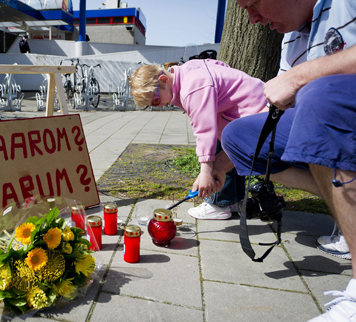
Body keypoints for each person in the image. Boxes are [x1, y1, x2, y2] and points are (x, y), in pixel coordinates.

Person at [217, 1, 356, 320]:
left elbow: (300, 88)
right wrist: (219, 168)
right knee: (239, 136)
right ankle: (345, 209)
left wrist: (303, 77)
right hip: (321, 112)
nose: (251, 19)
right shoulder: (292, 38)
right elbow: (276, 111)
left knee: (318, 97)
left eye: (254, 4)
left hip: (336, 107)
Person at [129, 59, 269, 220]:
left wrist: (206, 171)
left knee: (215, 152)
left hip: (259, 112)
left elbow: (204, 130)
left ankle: (219, 204)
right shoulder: (188, 69)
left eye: (156, 100)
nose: (159, 106)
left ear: (163, 80)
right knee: (222, 155)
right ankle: (232, 201)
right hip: (256, 105)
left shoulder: (192, 87)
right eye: (153, 105)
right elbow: (221, 65)